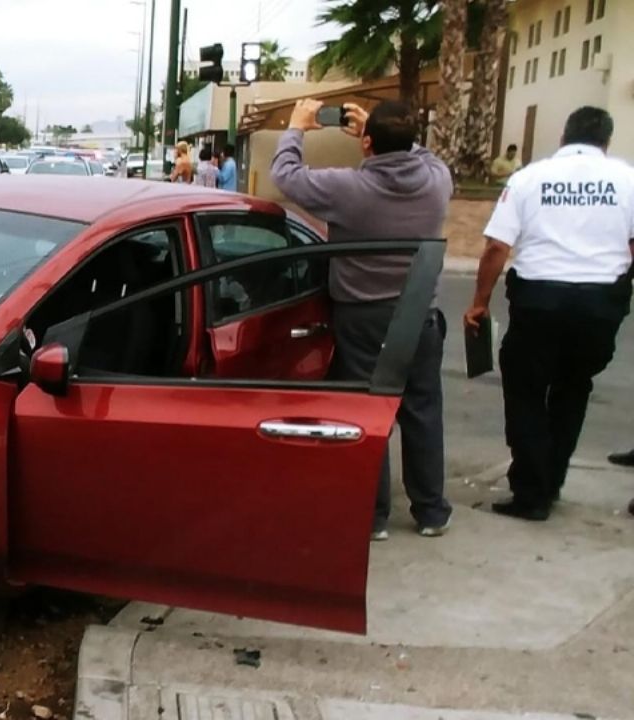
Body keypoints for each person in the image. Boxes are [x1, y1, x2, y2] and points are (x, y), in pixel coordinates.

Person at [271, 98, 454, 541]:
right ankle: (431, 511)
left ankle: (373, 517)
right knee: (422, 411)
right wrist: (383, 134)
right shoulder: (436, 182)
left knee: (366, 412)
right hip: (419, 315)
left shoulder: (346, 188)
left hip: (361, 315)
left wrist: (296, 127)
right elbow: (424, 155)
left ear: (367, 142)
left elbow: (285, 175)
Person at [465, 106, 634, 521]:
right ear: (606, 142)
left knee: (525, 392)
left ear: (563, 137)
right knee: (573, 389)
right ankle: (552, 478)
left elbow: (496, 249)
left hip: (538, 301)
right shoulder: (628, 179)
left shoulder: (528, 178)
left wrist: (480, 301)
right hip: (600, 304)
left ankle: (531, 492)